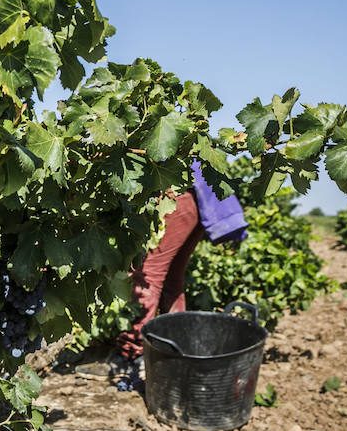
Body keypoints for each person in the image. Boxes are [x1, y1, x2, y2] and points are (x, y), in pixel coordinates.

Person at [90, 160, 248, 391]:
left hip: (175, 194)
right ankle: (177, 351)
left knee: (146, 274)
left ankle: (130, 358)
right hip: (196, 194)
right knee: (171, 279)